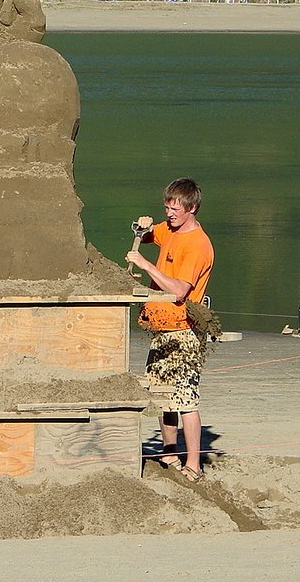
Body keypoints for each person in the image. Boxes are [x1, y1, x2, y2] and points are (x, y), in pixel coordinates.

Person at [126, 177, 214, 483]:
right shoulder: (171, 230)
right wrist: (141, 227)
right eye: (167, 206)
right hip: (161, 328)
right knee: (164, 397)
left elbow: (178, 290)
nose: (169, 212)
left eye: (175, 208)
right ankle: (169, 450)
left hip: (184, 332)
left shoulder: (197, 245)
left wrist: (146, 266)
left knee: (185, 400)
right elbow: (150, 235)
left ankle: (194, 464)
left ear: (191, 208)